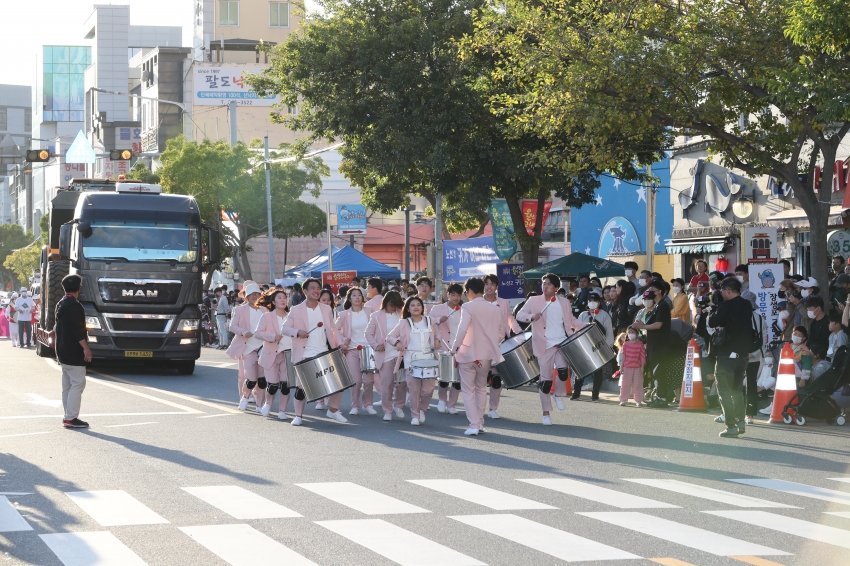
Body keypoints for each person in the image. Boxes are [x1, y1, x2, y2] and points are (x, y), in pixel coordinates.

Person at [516, 273, 586, 425]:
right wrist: (531, 316)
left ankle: (558, 395)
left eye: (548, 284)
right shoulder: (534, 300)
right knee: (545, 382)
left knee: (563, 372)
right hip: (544, 345)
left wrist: (585, 325)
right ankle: (546, 413)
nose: (545, 286)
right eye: (544, 283)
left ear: (556, 287)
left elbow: (571, 321)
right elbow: (519, 315)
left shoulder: (564, 302)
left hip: (561, 342)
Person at [283, 277, 346, 425]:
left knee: (339, 383)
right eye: (313, 288)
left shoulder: (326, 309)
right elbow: (284, 328)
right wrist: (298, 332)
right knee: (301, 388)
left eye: (318, 288)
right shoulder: (296, 309)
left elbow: (333, 329)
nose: (316, 291)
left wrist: (340, 343)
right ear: (305, 291)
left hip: (324, 351)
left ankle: (333, 410)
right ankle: (298, 416)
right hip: (304, 354)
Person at [451, 277, 504, 436]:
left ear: (470, 291)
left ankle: (474, 424)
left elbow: (462, 329)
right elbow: (500, 333)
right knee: (481, 389)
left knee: (468, 390)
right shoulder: (495, 309)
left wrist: (455, 348)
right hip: (485, 355)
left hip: (467, 354)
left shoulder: (468, 306)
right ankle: (479, 423)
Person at [706, 277, 754, 438]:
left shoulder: (725, 306)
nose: (720, 293)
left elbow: (712, 321)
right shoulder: (747, 304)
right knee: (737, 390)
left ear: (728, 290)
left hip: (726, 354)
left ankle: (731, 426)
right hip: (743, 355)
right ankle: (740, 422)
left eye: (722, 291)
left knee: (724, 391)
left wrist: (713, 307)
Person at [387, 296, 440, 426]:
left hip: (428, 360)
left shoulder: (430, 321)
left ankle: (421, 408)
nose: (416, 307)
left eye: (418, 305)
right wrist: (398, 343)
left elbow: (438, 334)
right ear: (408, 309)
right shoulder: (403, 323)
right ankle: (415, 415)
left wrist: (437, 340)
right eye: (412, 305)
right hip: (411, 361)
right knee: (414, 389)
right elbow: (390, 337)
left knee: (428, 389)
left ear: (422, 307)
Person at [481, 274, 524, 418]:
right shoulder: (478, 303)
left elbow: (510, 318)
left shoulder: (503, 303)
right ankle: (478, 408)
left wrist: (519, 332)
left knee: (496, 379)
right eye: (486, 284)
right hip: (481, 345)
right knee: (481, 379)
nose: (489, 287)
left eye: (492, 284)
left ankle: (493, 409)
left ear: (497, 286)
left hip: (500, 344)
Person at [254, 287, 299, 420]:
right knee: (273, 385)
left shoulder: (292, 316)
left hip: (288, 355)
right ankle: (267, 404)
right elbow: (258, 333)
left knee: (285, 385)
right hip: (271, 354)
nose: (283, 300)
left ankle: (282, 411)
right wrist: (273, 337)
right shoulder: (267, 316)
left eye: (285, 298)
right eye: (279, 298)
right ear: (273, 302)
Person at [55, 274, 92, 429]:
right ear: (79, 288)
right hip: (73, 351)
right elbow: (78, 331)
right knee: (77, 384)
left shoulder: (61, 303)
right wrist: (86, 348)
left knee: (67, 386)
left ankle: (68, 416)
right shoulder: (75, 306)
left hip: (62, 350)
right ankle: (71, 418)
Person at [336, 286, 378, 415]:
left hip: (368, 349)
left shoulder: (369, 311)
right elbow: (335, 329)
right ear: (349, 298)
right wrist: (343, 340)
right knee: (356, 380)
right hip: (352, 350)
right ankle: (355, 406)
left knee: (369, 380)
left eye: (359, 295)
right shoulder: (344, 314)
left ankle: (367, 404)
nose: (357, 297)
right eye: (354, 295)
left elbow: (377, 326)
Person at [365, 291, 407, 420]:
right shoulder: (376, 316)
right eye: (390, 304)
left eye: (396, 305)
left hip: (402, 354)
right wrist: (376, 345)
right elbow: (368, 333)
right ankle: (387, 410)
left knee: (402, 383)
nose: (393, 307)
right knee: (387, 384)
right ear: (385, 303)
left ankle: (398, 405)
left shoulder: (402, 314)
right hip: (385, 354)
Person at [632, 281, 673, 408]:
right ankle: (659, 396)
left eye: (652, 289)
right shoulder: (656, 306)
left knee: (659, 371)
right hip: (653, 344)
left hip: (660, 345)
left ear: (659, 291)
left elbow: (658, 324)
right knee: (655, 371)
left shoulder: (663, 305)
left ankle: (662, 398)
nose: (650, 292)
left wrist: (642, 326)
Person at [229, 284, 268, 412]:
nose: (255, 296)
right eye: (252, 294)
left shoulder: (265, 310)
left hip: (263, 348)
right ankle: (245, 397)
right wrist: (244, 332)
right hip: (248, 348)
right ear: (246, 297)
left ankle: (259, 405)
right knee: (251, 378)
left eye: (257, 294)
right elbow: (232, 326)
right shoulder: (240, 310)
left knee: (262, 380)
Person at [571, 291, 614, 400]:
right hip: (584, 345)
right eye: (590, 301)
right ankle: (576, 392)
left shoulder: (604, 315)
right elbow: (577, 331)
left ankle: (595, 394)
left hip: (598, 345)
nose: (592, 303)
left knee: (597, 371)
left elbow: (609, 332)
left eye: (594, 301)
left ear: (599, 302)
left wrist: (607, 346)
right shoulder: (583, 315)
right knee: (580, 370)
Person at [431, 283, 464, 414]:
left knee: (458, 378)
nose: (456, 298)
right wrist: (439, 319)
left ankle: (452, 405)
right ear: (448, 295)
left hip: (460, 347)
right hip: (444, 345)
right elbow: (429, 321)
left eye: (458, 295)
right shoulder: (438, 308)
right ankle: (442, 400)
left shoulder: (463, 310)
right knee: (444, 376)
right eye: (453, 295)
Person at [618, 325, 646, 406]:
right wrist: (621, 367)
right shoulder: (625, 344)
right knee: (625, 384)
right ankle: (623, 400)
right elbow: (623, 356)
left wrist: (643, 366)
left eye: (633, 332)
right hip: (627, 367)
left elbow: (642, 356)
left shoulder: (640, 344)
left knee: (638, 384)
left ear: (636, 333)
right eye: (629, 332)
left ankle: (639, 400)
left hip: (637, 367)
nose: (631, 334)